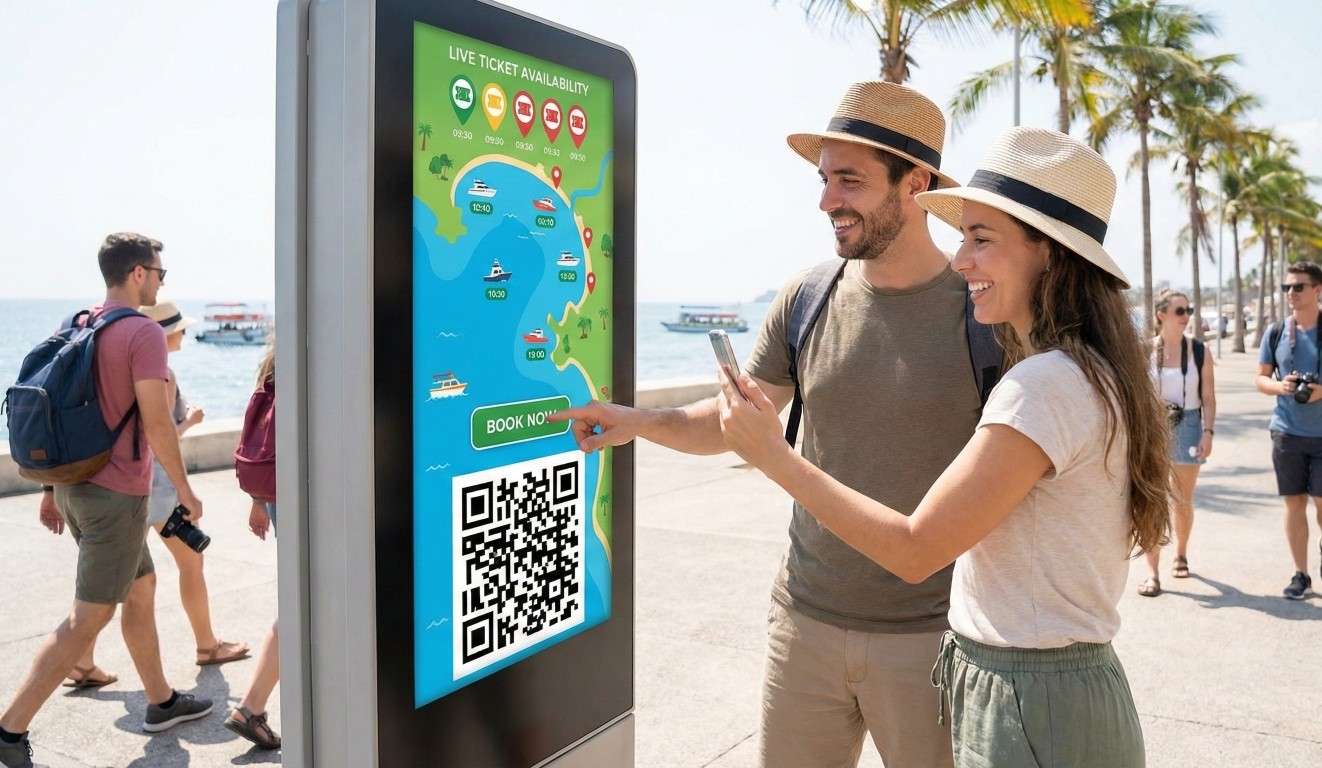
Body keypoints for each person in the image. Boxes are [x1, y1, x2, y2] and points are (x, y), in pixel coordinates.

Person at [554, 81, 982, 767]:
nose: (826, 201)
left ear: (916, 184)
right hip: (805, 625)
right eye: (823, 180)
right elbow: (733, 423)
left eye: (849, 181)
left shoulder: (982, 314)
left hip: (934, 640)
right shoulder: (810, 297)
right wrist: (633, 420)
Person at [717, 127, 1170, 766]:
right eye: (963, 239)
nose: (961, 262)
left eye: (981, 240)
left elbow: (915, 550)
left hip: (1031, 700)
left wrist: (775, 457)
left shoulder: (1042, 387)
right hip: (1052, 688)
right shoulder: (1091, 373)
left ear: (1050, 255)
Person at [0, 234, 213, 768]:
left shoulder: (79, 322)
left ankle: (161, 701)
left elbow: (59, 406)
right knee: (87, 618)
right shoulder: (142, 331)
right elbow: (157, 420)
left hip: (76, 485)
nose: (162, 281)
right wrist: (184, 488)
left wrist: (51, 489)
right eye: (161, 273)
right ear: (138, 273)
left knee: (141, 589)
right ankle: (8, 730)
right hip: (114, 495)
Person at [39, 299, 250, 687]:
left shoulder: (117, 371)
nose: (185, 334)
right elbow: (157, 435)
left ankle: (83, 662)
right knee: (189, 566)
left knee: (108, 583)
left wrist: (50, 489)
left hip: (116, 486)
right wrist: (189, 423)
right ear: (166, 333)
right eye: (181, 329)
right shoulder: (163, 375)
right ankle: (207, 645)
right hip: (157, 490)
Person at [1137, 289, 1217, 597]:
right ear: (1161, 315)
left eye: (1189, 311)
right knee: (1152, 501)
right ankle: (1152, 573)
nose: (1186, 316)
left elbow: (1208, 398)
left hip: (1189, 425)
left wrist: (1208, 432)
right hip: (1153, 429)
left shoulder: (1199, 351)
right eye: (1180, 311)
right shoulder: (1145, 350)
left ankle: (1181, 552)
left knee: (1182, 500)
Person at [224, 338, 281, 750]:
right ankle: (250, 706)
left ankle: (252, 707)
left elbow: (261, 436)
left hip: (278, 493)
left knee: (301, 600)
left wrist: (259, 500)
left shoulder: (274, 364)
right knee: (305, 603)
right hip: (312, 496)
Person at [1255, 260, 1322, 600]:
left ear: (1317, 290)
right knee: (1294, 503)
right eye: (1287, 287)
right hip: (1286, 431)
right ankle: (1302, 575)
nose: (1291, 293)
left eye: (1298, 286)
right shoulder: (1277, 331)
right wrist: (1281, 387)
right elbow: (1261, 378)